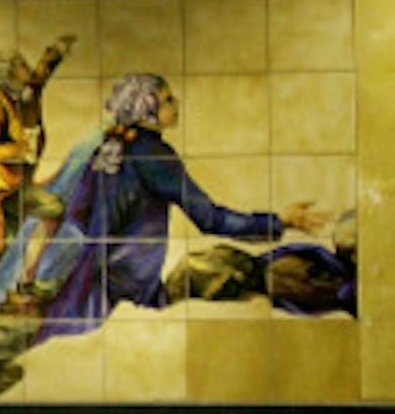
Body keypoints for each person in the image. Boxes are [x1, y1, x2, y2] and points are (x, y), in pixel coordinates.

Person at [36, 72, 322, 340]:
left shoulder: (107, 147)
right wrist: (280, 221)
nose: (177, 103)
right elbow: (210, 218)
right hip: (130, 290)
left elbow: (76, 212)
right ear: (147, 114)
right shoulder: (154, 157)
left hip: (87, 283)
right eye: (168, 100)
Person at [0, 35, 73, 315]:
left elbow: (42, 72)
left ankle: (24, 281)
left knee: (53, 212)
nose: (28, 79)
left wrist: (56, 50)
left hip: (22, 184)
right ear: (9, 77)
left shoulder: (28, 90)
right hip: (4, 189)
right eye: (21, 73)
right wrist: (18, 148)